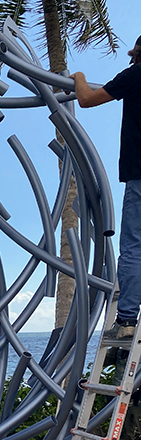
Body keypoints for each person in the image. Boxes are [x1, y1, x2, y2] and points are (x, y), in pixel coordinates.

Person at [72, 35, 141, 340]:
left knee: (134, 247)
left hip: (140, 175)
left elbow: (85, 99)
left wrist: (79, 78)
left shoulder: (134, 75)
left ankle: (126, 320)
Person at [104, 346, 141, 440]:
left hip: (138, 399)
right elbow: (104, 362)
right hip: (121, 398)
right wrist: (114, 347)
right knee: (125, 436)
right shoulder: (120, 351)